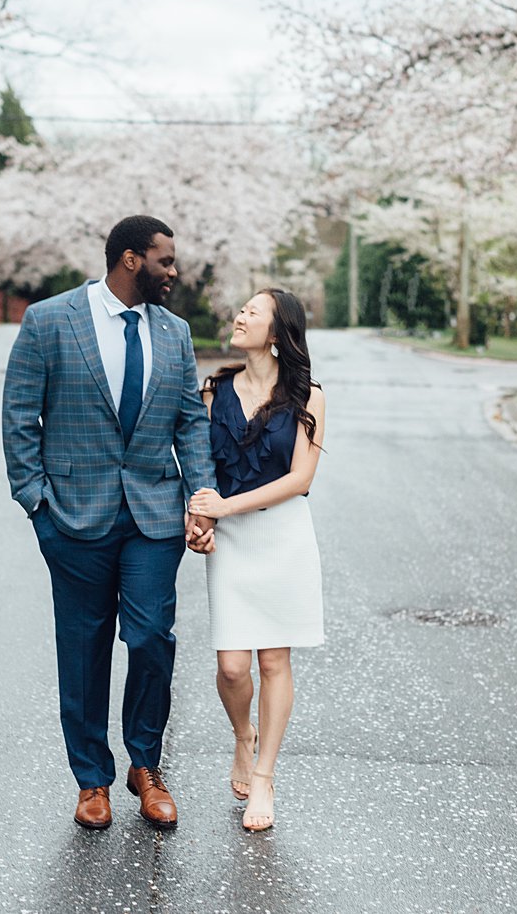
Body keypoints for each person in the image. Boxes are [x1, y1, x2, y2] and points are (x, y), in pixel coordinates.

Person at [2, 215, 217, 831]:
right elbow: (20, 415)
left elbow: (189, 423)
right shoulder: (50, 320)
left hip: (152, 515)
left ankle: (145, 766)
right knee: (84, 647)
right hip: (71, 517)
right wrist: (36, 505)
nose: (174, 272)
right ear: (130, 259)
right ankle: (91, 778)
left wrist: (200, 497)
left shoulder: (174, 333)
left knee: (152, 639)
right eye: (165, 261)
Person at [185, 288, 326, 833]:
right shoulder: (213, 390)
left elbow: (300, 479)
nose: (239, 316)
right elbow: (199, 467)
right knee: (232, 666)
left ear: (278, 332)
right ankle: (244, 736)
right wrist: (198, 518)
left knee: (273, 662)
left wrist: (226, 507)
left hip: (283, 538)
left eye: (253, 312)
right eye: (240, 308)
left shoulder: (308, 396)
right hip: (231, 542)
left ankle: (264, 776)